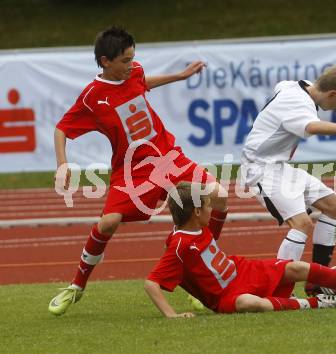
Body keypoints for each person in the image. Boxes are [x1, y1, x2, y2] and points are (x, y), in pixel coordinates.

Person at [48, 26, 228, 316]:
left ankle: (204, 269)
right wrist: (62, 164)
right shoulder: (92, 97)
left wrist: (180, 76)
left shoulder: (133, 72)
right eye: (125, 60)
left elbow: (144, 81)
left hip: (167, 157)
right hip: (132, 172)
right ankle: (77, 286)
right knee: (108, 224)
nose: (131, 65)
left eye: (133, 58)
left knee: (219, 195)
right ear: (106, 61)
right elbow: (61, 129)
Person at [145, 182, 336, 318]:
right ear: (197, 212)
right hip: (226, 297)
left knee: (296, 268)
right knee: (249, 303)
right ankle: (319, 303)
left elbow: (210, 203)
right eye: (208, 206)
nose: (212, 209)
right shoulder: (179, 245)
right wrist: (172, 316)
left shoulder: (198, 226)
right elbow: (151, 283)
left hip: (243, 270)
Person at [239, 64, 336, 295]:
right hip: (261, 169)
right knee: (302, 224)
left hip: (279, 166)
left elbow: (286, 94)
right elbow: (312, 126)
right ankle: (279, 290)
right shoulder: (299, 103)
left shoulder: (298, 85)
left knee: (333, 204)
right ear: (332, 94)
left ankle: (318, 280)